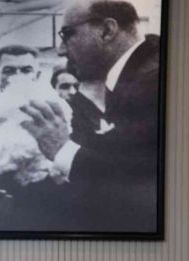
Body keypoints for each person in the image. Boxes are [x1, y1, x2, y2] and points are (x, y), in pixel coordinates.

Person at [23, 0, 161, 231]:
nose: (61, 49)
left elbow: (134, 184)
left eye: (68, 34)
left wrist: (62, 149)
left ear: (107, 30)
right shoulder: (142, 73)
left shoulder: (150, 83)